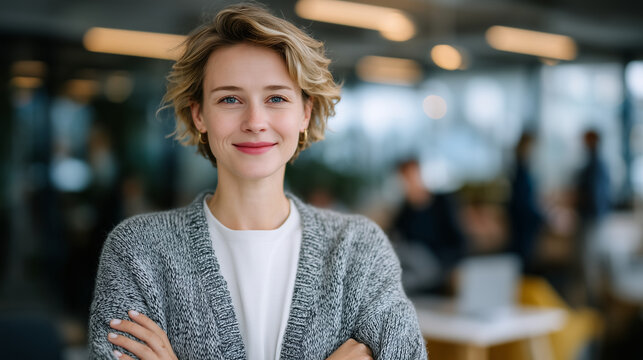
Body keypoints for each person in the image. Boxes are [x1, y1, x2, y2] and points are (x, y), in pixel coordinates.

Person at [88, 4, 426, 360]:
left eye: (276, 98)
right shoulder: (137, 251)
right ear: (199, 114)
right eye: (230, 99)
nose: (255, 121)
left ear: (305, 112)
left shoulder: (359, 249)